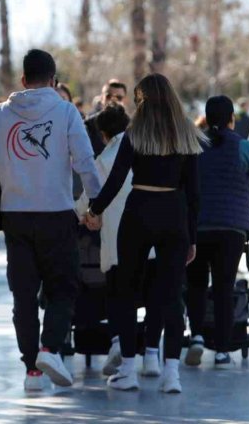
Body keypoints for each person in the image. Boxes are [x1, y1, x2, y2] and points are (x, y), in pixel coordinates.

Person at [0, 49, 101, 391]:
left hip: (14, 214)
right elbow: (85, 163)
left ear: (22, 79)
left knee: (24, 295)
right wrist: (97, 205)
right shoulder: (65, 112)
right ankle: (49, 347)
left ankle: (32, 371)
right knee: (63, 286)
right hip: (57, 214)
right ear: (54, 80)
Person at [85, 73, 203, 394]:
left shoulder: (133, 134)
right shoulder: (186, 135)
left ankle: (128, 369)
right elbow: (194, 193)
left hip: (138, 211)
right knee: (170, 294)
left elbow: (115, 181)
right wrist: (191, 236)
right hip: (174, 214)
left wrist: (94, 211)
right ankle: (171, 374)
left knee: (125, 290)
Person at [75, 104, 163, 378]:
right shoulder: (150, 149)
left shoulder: (103, 160)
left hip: (118, 244)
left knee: (119, 300)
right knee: (153, 299)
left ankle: (122, 352)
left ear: (102, 135)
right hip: (153, 240)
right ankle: (151, 356)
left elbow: (86, 202)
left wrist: (84, 215)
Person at [187, 96, 249, 368]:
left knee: (195, 284)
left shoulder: (193, 146)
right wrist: (247, 209)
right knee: (223, 286)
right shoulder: (245, 148)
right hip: (232, 229)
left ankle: (196, 335)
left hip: (198, 226)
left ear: (206, 119)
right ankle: (222, 350)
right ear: (232, 118)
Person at [85, 79, 128, 156]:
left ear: (125, 100)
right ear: (101, 98)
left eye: (119, 97)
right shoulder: (88, 126)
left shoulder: (132, 127)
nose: (113, 99)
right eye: (108, 96)